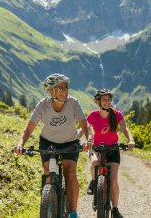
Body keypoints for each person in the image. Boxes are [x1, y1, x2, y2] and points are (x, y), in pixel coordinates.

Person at [13, 73, 89, 218]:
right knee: (48, 175)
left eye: (66, 87)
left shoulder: (73, 102)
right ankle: (49, 205)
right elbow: (28, 129)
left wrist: (89, 140)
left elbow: (84, 124)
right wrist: (20, 144)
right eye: (60, 88)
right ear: (51, 91)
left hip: (70, 142)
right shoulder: (43, 105)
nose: (65, 90)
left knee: (70, 173)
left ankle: (73, 212)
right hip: (48, 142)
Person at [85, 89, 135, 218]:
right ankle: (93, 181)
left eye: (109, 99)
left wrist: (131, 140)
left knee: (113, 180)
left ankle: (115, 209)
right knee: (95, 163)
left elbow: (125, 128)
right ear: (98, 101)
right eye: (104, 99)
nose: (107, 102)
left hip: (112, 149)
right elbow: (83, 128)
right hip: (96, 148)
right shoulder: (92, 115)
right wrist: (78, 141)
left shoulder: (116, 114)